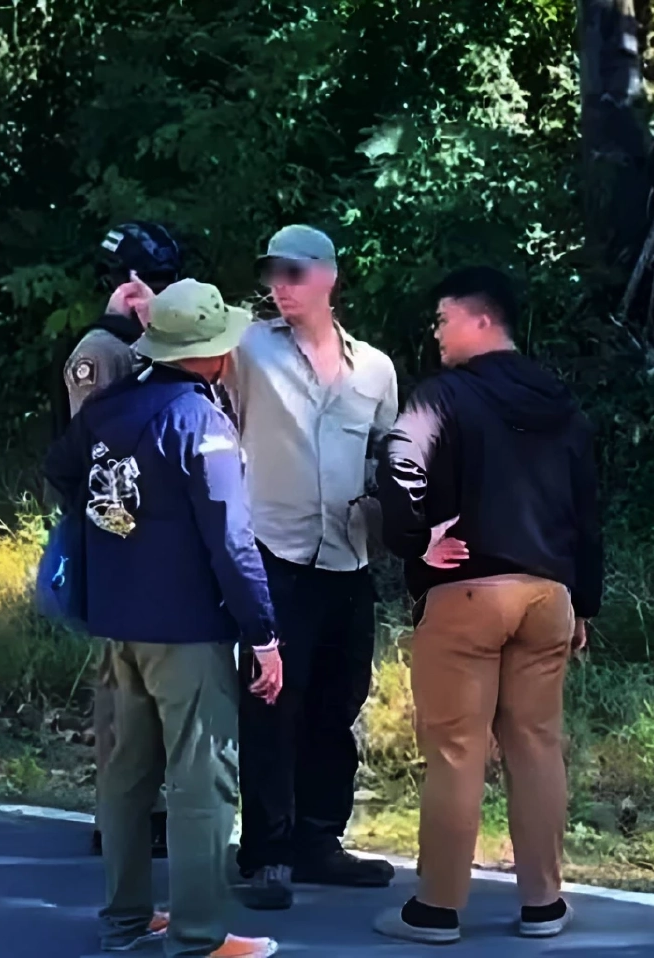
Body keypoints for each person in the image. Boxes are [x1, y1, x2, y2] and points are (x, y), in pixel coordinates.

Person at [45, 279, 283, 958]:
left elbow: (61, 469)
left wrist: (115, 536)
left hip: (116, 621)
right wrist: (263, 633)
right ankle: (200, 936)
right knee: (201, 779)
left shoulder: (110, 407)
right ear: (211, 353)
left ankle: (124, 921)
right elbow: (231, 541)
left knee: (126, 777)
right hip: (187, 629)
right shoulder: (200, 422)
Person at [371, 266, 604, 944]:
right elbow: (588, 509)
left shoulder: (444, 395)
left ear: (481, 320)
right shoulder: (559, 402)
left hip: (468, 592)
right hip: (549, 597)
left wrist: (415, 542)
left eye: (444, 320)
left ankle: (437, 909)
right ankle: (544, 904)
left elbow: (399, 463)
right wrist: (583, 601)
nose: (437, 334)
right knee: (537, 746)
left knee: (456, 749)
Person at [225, 225, 399, 909]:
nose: (281, 287)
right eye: (272, 274)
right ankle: (267, 850)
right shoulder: (248, 347)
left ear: (329, 276)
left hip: (348, 558)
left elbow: (389, 455)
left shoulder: (375, 370)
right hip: (275, 552)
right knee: (271, 703)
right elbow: (186, 342)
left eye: (294, 273)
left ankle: (319, 839)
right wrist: (139, 311)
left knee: (338, 702)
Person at [62, 222, 182, 860]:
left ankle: (151, 806)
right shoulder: (102, 351)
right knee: (119, 689)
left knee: (153, 687)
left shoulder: (146, 344)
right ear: (130, 285)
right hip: (115, 534)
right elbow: (96, 447)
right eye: (155, 282)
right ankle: (118, 815)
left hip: (155, 538)